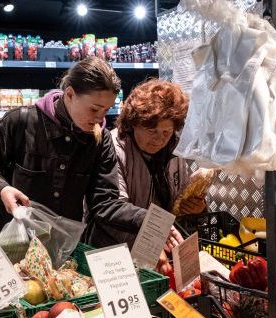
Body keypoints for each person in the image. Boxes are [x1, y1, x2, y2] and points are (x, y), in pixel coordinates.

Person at [0, 57, 182, 252]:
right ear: (70, 94)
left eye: (106, 110)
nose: (100, 118)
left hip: (61, 247)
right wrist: (2, 189)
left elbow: (104, 202)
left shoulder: (101, 140)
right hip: (11, 239)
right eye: (94, 109)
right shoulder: (21, 121)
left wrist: (149, 220)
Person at [86, 79, 206, 249]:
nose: (159, 139)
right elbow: (113, 210)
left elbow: (180, 204)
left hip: (161, 247)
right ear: (133, 123)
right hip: (116, 252)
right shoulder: (113, 148)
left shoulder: (174, 152)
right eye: (152, 131)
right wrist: (151, 243)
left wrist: (197, 209)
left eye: (167, 132)